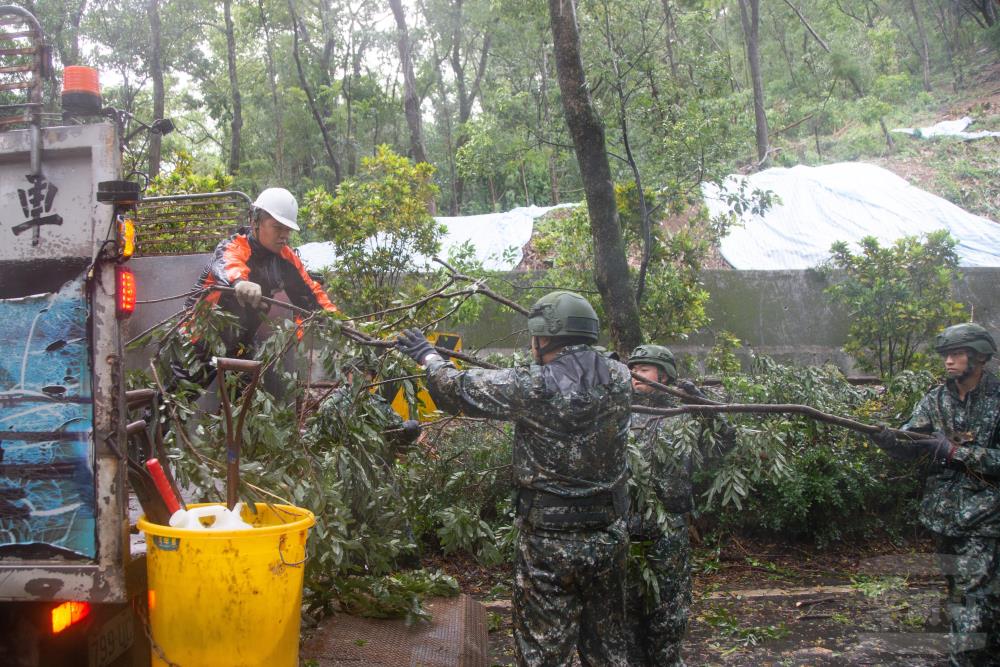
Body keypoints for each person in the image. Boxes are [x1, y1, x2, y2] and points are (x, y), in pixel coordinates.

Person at [394, 291, 632, 667]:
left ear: (544, 338)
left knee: (543, 653)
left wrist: (428, 356)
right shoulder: (620, 376)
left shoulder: (532, 386)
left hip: (549, 543)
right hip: (609, 536)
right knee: (608, 650)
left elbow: (457, 390)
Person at [869, 323, 1000, 666]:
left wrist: (958, 454)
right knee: (966, 596)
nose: (949, 361)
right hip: (943, 517)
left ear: (979, 357)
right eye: (946, 355)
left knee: (974, 602)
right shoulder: (936, 399)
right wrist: (890, 442)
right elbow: (913, 443)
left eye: (957, 354)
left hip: (987, 519)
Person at [625, 344, 734, 667]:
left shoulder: (684, 416)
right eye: (633, 369)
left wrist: (700, 403)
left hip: (668, 533)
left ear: (664, 374)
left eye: (644, 369)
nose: (636, 375)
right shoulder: (622, 415)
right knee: (627, 622)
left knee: (666, 621)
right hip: (626, 532)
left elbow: (725, 441)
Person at [171, 187, 338, 394]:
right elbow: (228, 264)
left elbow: (310, 295)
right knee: (176, 400)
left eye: (287, 230)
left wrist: (338, 321)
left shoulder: (286, 259)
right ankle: (151, 425)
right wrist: (240, 282)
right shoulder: (233, 246)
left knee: (246, 399)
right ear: (255, 222)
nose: (284, 236)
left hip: (240, 345)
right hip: (199, 341)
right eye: (277, 227)